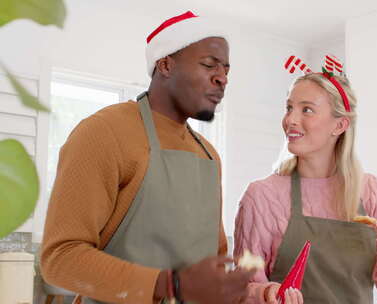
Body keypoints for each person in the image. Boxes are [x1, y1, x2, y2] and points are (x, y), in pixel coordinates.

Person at [41, 11, 254, 304]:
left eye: (226, 71)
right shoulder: (104, 133)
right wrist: (171, 285)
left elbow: (214, 263)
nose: (222, 78)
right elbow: (60, 259)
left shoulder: (208, 155)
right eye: (209, 65)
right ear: (165, 64)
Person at [234, 60, 377, 303]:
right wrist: (268, 294)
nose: (290, 119)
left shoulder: (371, 191)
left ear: (340, 125)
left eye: (306, 110)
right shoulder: (262, 196)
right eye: (289, 108)